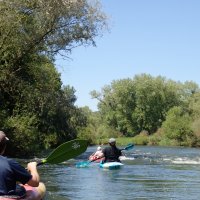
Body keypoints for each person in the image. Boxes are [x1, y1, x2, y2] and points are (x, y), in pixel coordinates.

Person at [0, 130, 45, 198]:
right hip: (6, 196)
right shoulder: (10, 163)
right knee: (21, 189)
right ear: (4, 147)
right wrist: (33, 168)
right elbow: (35, 183)